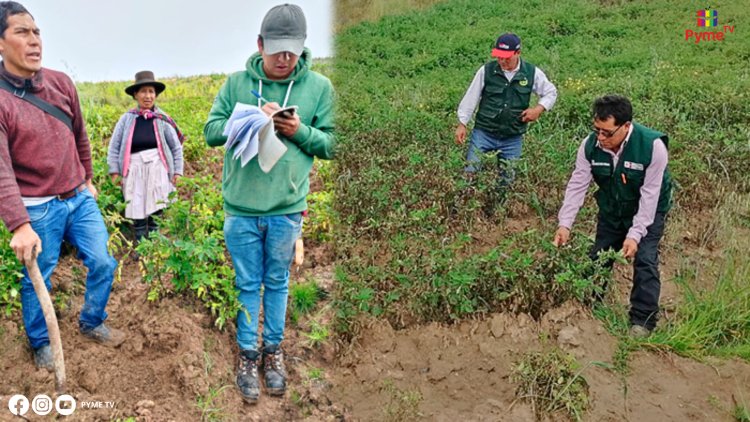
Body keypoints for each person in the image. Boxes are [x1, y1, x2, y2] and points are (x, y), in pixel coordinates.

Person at [204, 3, 334, 403]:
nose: (283, 58)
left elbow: (332, 143)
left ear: (302, 47)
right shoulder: (236, 83)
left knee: (276, 283)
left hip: (285, 210)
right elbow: (210, 132)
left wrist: (299, 130)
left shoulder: (319, 89)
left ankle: (272, 353)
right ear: (260, 44)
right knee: (246, 283)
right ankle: (247, 355)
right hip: (240, 210)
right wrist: (245, 120)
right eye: (276, 48)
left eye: (291, 50)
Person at [0, 1, 125, 370]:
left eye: (37, 32)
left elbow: (79, 136)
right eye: (22, 32)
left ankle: (92, 321)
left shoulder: (60, 83)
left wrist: (86, 177)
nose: (34, 40)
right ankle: (41, 343)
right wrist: (19, 225)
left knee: (103, 261)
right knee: (40, 276)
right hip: (37, 208)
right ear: (1, 44)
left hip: (78, 198)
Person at [553, 95, 673, 338]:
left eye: (607, 133)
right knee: (599, 256)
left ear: (626, 126)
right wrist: (565, 224)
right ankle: (589, 305)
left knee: (645, 259)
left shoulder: (653, 147)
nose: (601, 138)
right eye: (597, 130)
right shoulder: (590, 146)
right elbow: (578, 185)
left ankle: (642, 321)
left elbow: (649, 197)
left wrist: (635, 235)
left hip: (648, 210)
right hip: (612, 208)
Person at [455, 32, 557, 188]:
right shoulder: (487, 71)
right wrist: (462, 123)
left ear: (518, 53)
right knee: (471, 172)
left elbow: (550, 92)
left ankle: (499, 209)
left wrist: (538, 109)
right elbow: (471, 97)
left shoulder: (531, 72)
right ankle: (465, 206)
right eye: (499, 56)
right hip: (484, 132)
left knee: (507, 180)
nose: (502, 61)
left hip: (512, 136)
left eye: (506, 57)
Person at [107, 70, 184, 242]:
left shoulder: (162, 119)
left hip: (158, 168)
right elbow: (114, 146)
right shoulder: (127, 119)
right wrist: (114, 171)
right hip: (133, 168)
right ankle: (141, 245)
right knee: (137, 206)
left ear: (155, 95)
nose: (147, 96)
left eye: (151, 92)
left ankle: (154, 246)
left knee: (156, 207)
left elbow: (176, 148)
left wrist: (177, 171)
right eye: (143, 91)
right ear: (135, 95)